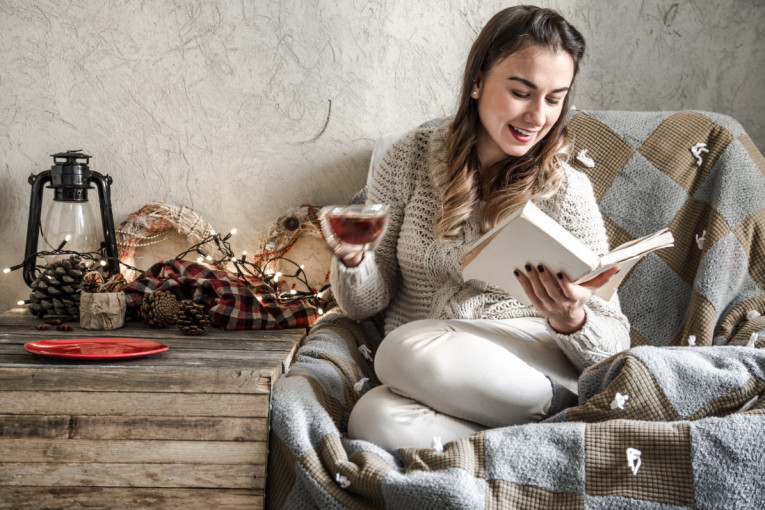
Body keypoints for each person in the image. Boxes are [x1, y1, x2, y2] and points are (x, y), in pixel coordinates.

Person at [328, 5, 631, 452]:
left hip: (527, 360)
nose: (537, 117)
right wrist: (353, 259)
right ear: (476, 82)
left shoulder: (567, 190)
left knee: (399, 349)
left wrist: (572, 318)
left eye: (553, 98)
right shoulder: (406, 160)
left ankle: (561, 406)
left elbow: (614, 340)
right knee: (372, 419)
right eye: (521, 92)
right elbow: (365, 304)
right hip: (442, 373)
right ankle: (543, 439)